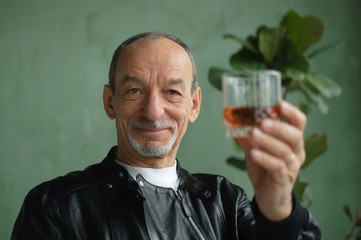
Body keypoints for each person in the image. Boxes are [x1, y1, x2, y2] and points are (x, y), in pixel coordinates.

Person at [11, 32, 321, 240]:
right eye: (134, 91)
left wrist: (278, 208)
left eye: (172, 92)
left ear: (193, 105)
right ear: (110, 102)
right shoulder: (54, 207)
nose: (153, 110)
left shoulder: (226, 201)